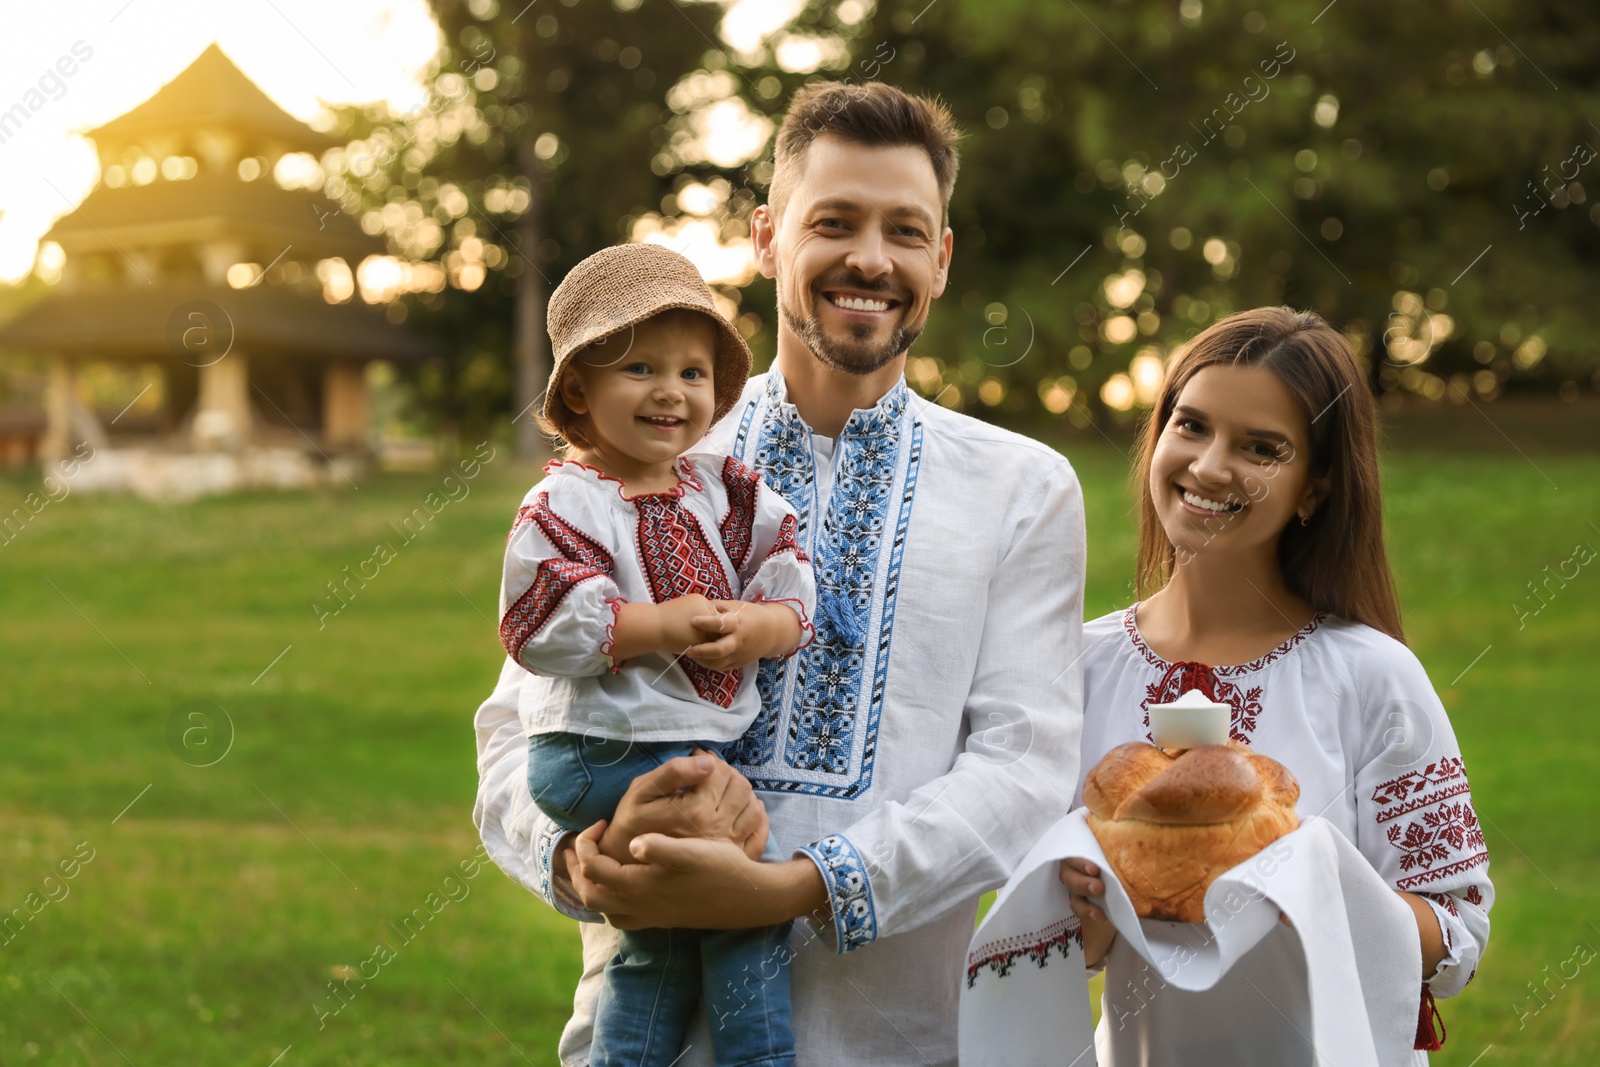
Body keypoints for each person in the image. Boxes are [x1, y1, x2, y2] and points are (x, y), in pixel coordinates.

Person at [474, 80, 1087, 1065]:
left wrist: (801, 884)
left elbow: (1022, 769)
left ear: (942, 256)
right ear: (766, 238)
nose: (870, 259)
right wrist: (574, 857)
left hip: (899, 1037)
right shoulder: (636, 456)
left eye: (905, 229)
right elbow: (516, 728)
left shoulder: (1020, 487)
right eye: (834, 222)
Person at [1058, 307, 1492, 1063]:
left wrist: (1321, 882)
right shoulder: (1079, 666)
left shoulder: (1371, 676)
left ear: (1315, 488)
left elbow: (1457, 938)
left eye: (1262, 447)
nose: (1212, 465)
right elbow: (1065, 943)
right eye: (1191, 426)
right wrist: (1086, 906)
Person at [501, 241, 817, 1067]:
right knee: (740, 905)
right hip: (599, 747)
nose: (671, 391)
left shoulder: (719, 488)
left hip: (667, 741)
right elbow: (540, 623)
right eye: (640, 368)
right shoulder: (565, 500)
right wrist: (659, 625)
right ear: (578, 387)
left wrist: (762, 627)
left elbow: (787, 565)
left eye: (691, 372)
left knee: (663, 934)